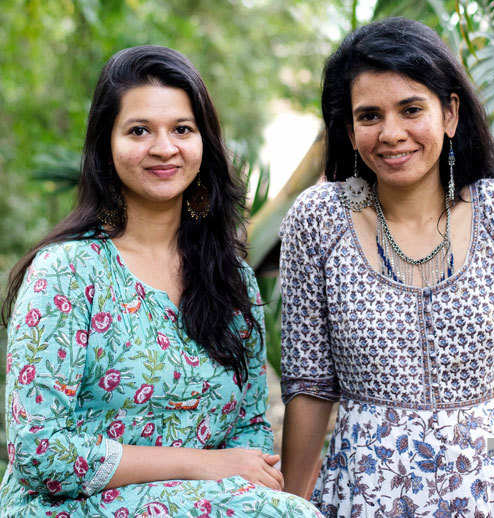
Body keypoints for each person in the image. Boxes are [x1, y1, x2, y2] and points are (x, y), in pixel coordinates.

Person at [0, 45, 322, 517]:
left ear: (204, 145)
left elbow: (250, 433)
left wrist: (228, 480)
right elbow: (39, 451)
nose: (164, 147)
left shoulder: (231, 282)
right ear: (106, 146)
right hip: (69, 507)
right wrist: (202, 466)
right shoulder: (66, 272)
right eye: (139, 130)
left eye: (182, 129)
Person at [279, 18, 494, 517]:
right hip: (368, 492)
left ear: (450, 113)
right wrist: (288, 505)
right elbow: (309, 387)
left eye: (411, 109)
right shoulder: (319, 219)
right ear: (350, 132)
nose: (392, 133)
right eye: (369, 115)